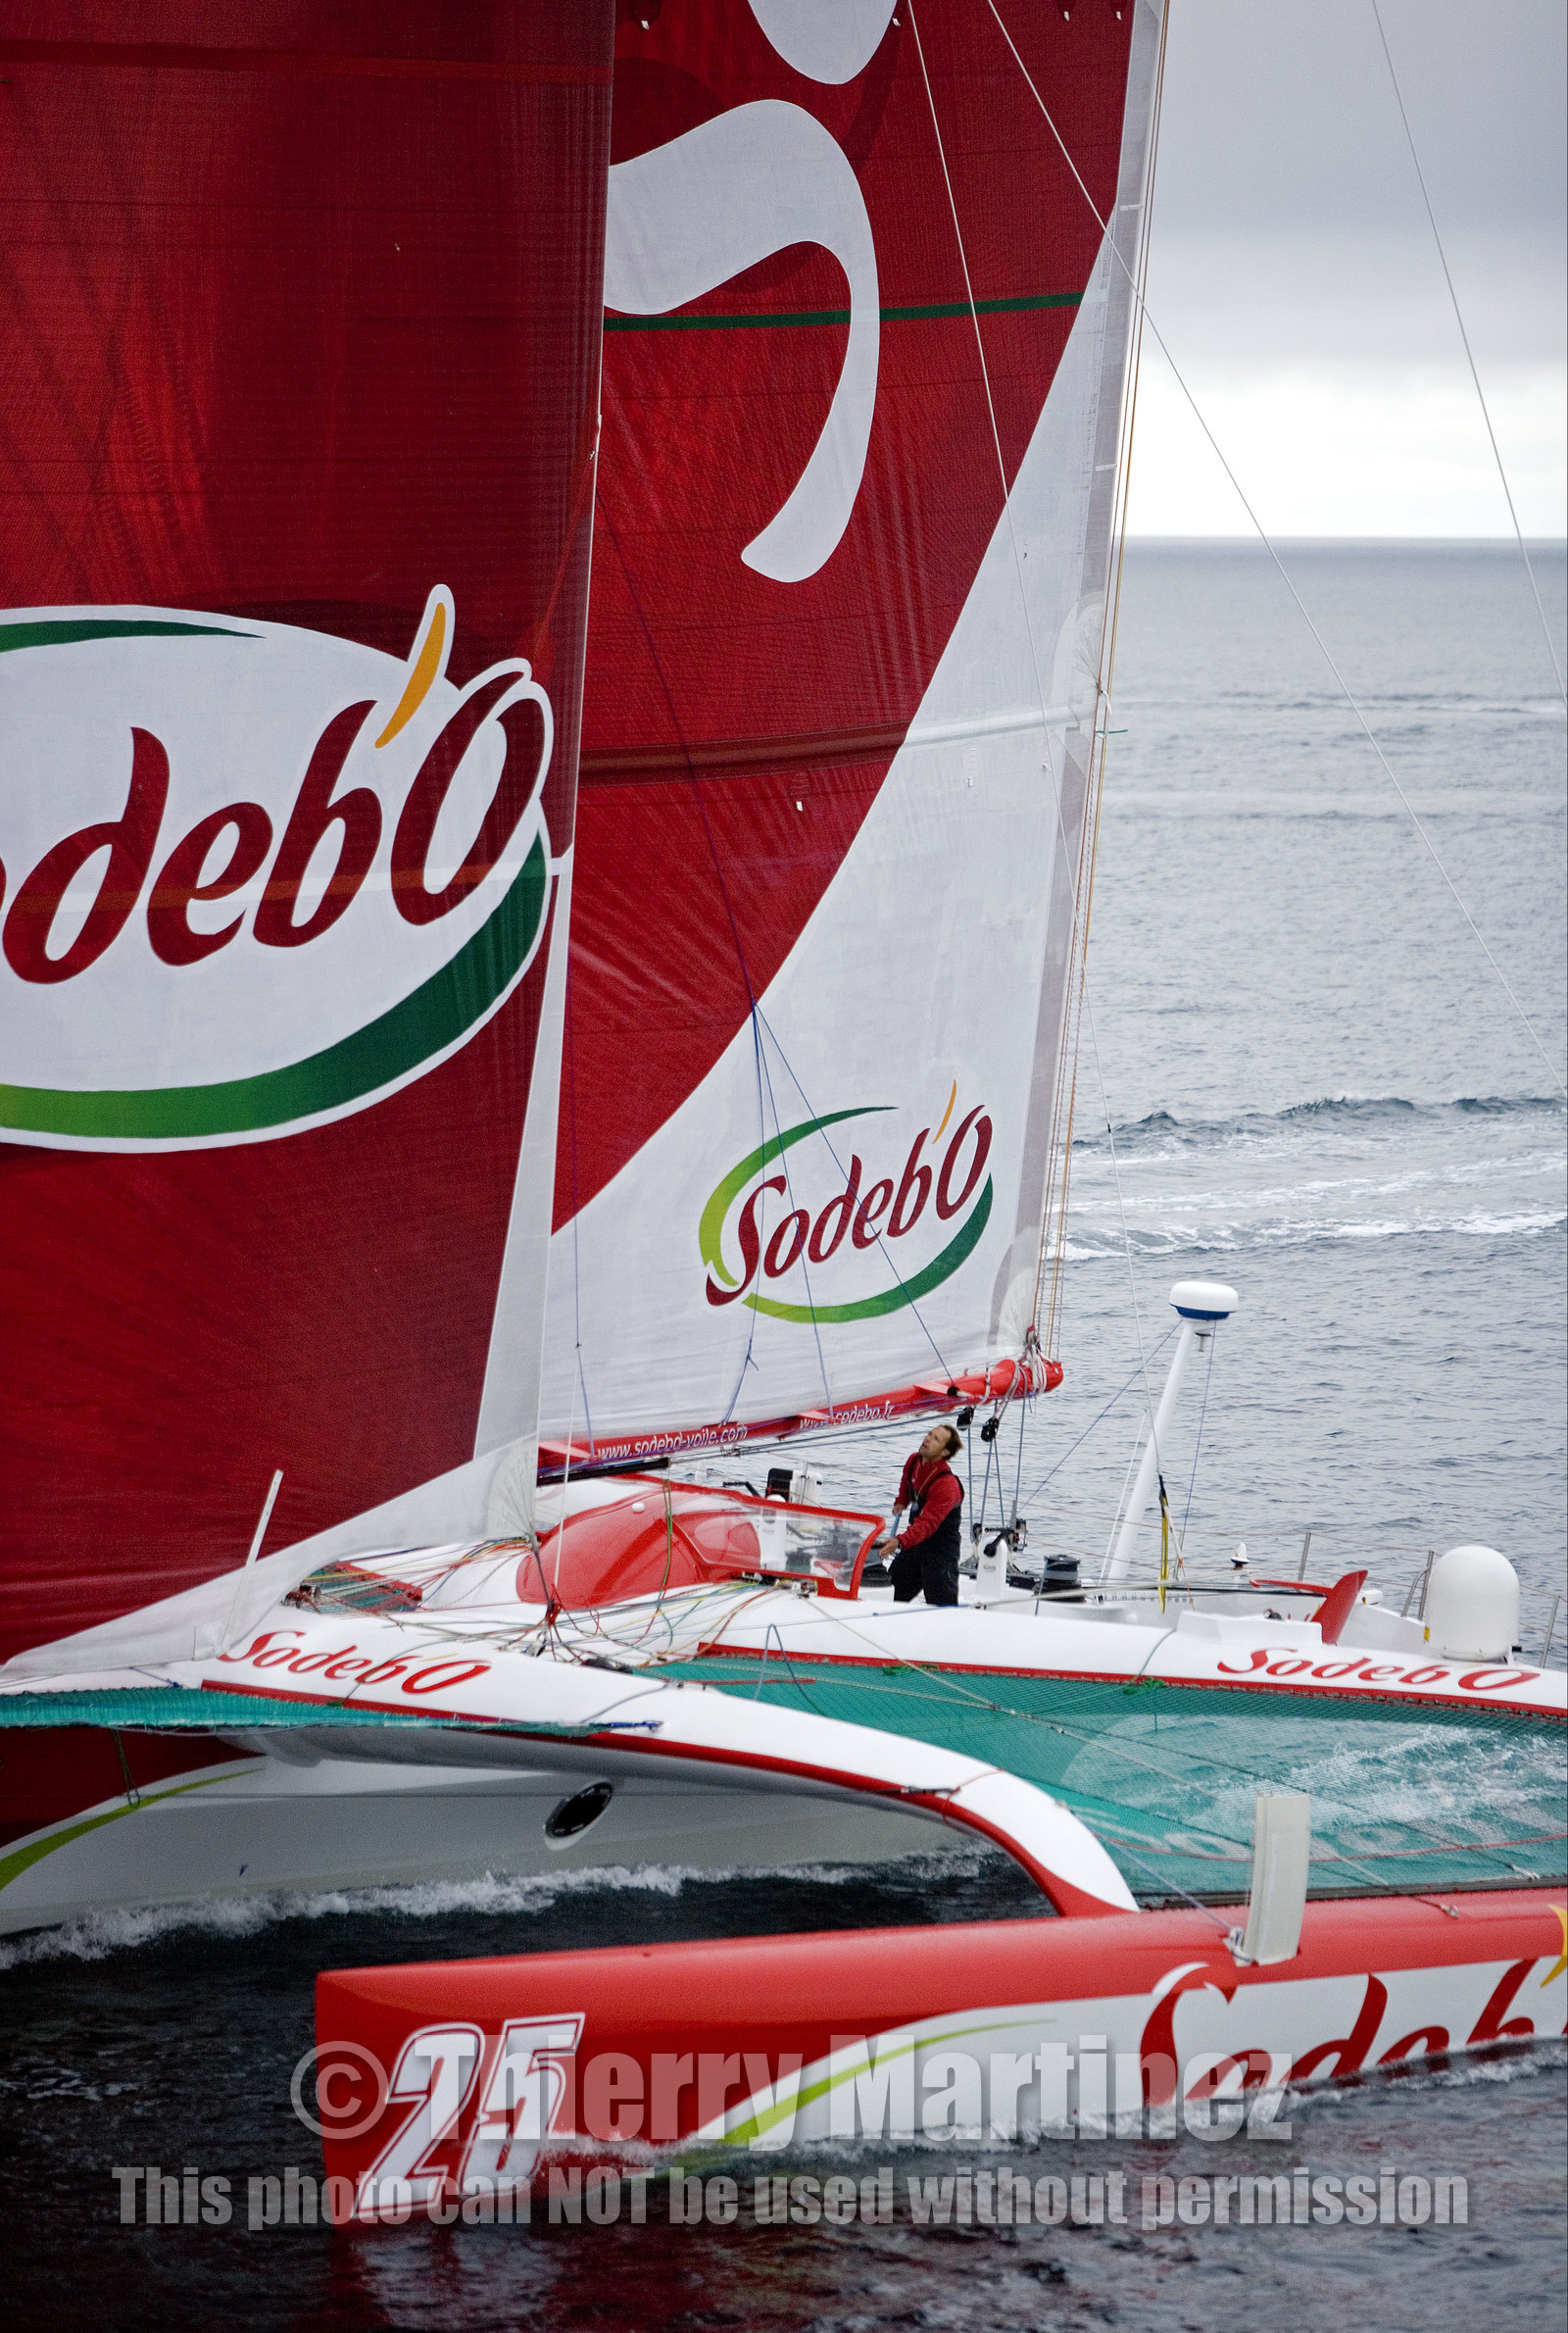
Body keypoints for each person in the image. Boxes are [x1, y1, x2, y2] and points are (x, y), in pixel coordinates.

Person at [873, 1421, 964, 1607]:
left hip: (940, 1550)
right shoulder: (914, 1461)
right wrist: (902, 1500)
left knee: (942, 1604)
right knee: (895, 1583)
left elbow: (927, 1524)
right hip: (916, 1543)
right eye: (930, 1434)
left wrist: (899, 1541)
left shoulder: (946, 1485)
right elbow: (907, 1481)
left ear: (945, 1452)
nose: (928, 1439)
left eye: (936, 1439)